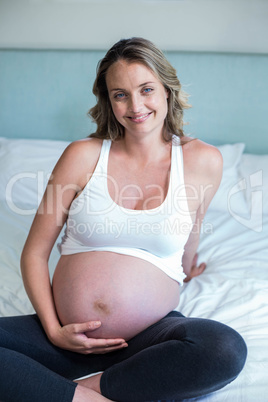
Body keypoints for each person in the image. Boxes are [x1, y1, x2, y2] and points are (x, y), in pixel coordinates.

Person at [0, 37, 247, 402]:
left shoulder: (203, 160)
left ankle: (79, 392)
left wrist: (189, 266)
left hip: (147, 338)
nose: (135, 106)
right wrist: (54, 330)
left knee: (224, 348)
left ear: (166, 90)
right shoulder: (82, 155)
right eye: (120, 94)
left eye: (146, 89)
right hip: (67, 336)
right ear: (108, 100)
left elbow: (190, 226)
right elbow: (35, 253)